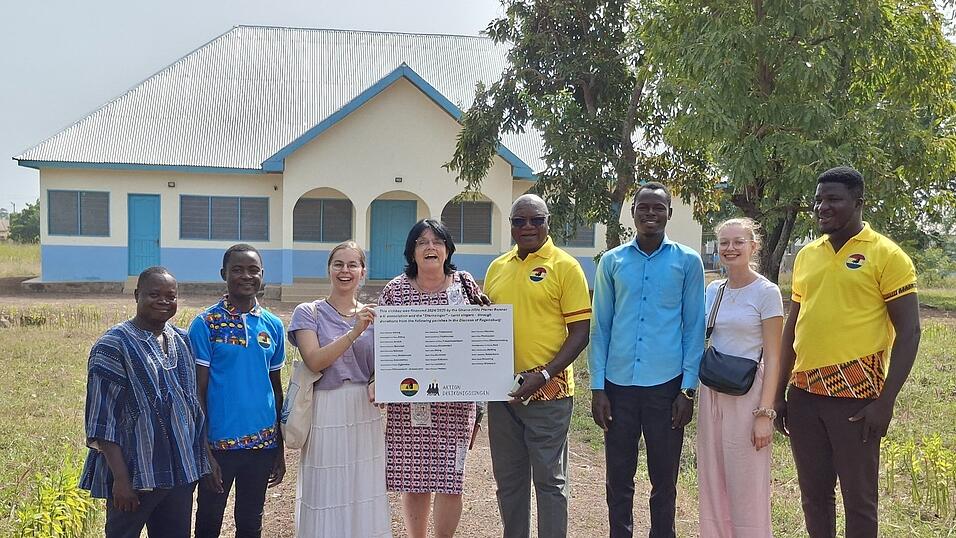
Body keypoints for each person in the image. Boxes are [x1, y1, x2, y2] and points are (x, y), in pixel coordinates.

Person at [774, 166, 921, 537]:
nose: (822, 207)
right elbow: (794, 325)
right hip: (804, 395)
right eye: (818, 200)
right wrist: (778, 394)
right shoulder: (807, 255)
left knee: (859, 501)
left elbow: (910, 332)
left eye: (833, 199)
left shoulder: (888, 255)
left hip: (856, 400)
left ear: (858, 202)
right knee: (814, 496)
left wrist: (884, 403)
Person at [589, 181, 706, 538]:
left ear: (669, 213)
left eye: (659, 208)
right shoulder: (612, 261)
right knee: (619, 477)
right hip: (618, 387)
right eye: (644, 207)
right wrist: (597, 388)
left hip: (666, 388)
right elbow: (601, 328)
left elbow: (693, 329)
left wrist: (687, 391)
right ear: (633, 212)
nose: (651, 214)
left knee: (664, 478)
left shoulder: (687, 261)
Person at [483, 194, 591, 538]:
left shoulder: (565, 266)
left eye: (535, 220)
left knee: (550, 481)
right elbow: (485, 327)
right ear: (511, 226)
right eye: (519, 221)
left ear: (548, 222)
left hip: (549, 393)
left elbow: (580, 333)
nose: (527, 227)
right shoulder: (497, 267)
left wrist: (543, 374)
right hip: (503, 393)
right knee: (509, 481)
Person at [80, 266, 208, 538]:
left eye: (170, 296)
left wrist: (201, 459)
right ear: (137, 295)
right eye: (154, 294)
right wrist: (121, 481)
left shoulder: (183, 340)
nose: (164, 301)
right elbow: (102, 419)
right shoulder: (113, 345)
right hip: (136, 477)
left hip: (180, 474)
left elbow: (192, 406)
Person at [378, 219, 485, 538]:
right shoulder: (395, 290)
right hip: (410, 401)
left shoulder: (464, 284)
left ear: (448, 249)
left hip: (455, 403)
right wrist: (378, 382)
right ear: (411, 252)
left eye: (437, 241)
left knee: (451, 479)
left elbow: (481, 331)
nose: (430, 247)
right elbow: (382, 342)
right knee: (414, 477)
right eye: (421, 242)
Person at [286, 241, 391, 537]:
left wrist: (377, 382)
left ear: (363, 272)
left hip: (363, 409)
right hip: (325, 408)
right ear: (329, 269)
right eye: (338, 264)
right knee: (326, 486)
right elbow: (315, 360)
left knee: (362, 484)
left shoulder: (375, 316)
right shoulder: (309, 312)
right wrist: (354, 331)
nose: (345, 271)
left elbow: (381, 366)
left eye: (352, 265)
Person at [190, 244, 286, 538]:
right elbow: (198, 392)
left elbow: (275, 388)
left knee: (250, 519)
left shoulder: (273, 325)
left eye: (253, 269)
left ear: (262, 275)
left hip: (262, 444)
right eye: (238, 269)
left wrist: (279, 448)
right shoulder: (206, 324)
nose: (246, 276)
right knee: (208, 518)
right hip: (218, 446)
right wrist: (204, 450)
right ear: (224, 274)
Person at [696, 218, 783, 537]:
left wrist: (765, 414)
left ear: (753, 247)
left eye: (738, 242)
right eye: (724, 243)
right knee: (713, 477)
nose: (730, 248)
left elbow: (774, 357)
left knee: (746, 483)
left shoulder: (767, 292)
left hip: (749, 395)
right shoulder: (713, 290)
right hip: (713, 393)